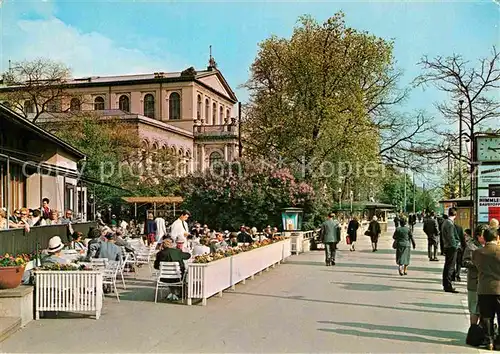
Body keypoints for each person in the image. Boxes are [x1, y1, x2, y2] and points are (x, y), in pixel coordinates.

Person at [472, 228, 500, 351]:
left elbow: (476, 265)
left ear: (485, 238)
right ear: (497, 238)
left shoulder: (478, 252)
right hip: (499, 288)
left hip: (484, 288)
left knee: (487, 317)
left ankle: (489, 340)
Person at [463, 226, 486, 328]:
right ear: (478, 236)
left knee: (483, 309)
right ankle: (473, 329)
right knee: (474, 308)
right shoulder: (471, 246)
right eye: (483, 235)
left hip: (485, 283)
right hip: (474, 282)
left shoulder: (488, 246)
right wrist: (477, 264)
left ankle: (482, 330)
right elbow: (465, 262)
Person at [441, 208, 461, 293]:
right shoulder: (449, 224)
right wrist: (456, 245)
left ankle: (446, 284)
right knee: (450, 266)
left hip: (447, 246)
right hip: (451, 247)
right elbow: (451, 237)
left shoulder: (445, 222)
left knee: (448, 266)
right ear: (455, 215)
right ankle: (448, 285)